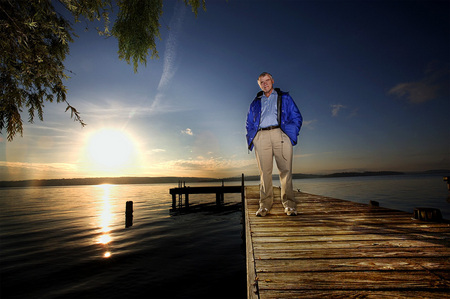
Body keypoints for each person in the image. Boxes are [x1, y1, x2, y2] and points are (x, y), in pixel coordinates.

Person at [246, 72, 303, 216]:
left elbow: (296, 117)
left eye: (267, 81)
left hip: (281, 134)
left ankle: (289, 204)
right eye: (262, 82)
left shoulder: (284, 97)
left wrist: (289, 134)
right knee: (264, 173)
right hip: (261, 136)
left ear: (272, 81)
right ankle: (265, 205)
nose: (265, 84)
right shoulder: (255, 102)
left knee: (285, 171)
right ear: (259, 84)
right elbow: (249, 122)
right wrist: (254, 137)